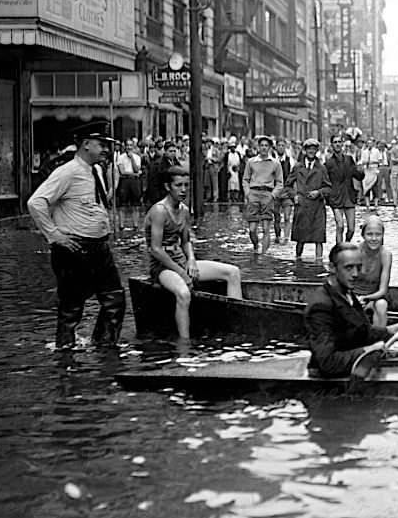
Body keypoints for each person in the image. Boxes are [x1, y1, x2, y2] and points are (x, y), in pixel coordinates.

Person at [27, 123, 126, 349]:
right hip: (74, 248)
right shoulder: (67, 172)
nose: (105, 150)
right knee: (71, 308)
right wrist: (54, 235)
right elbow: (36, 202)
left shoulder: (97, 170)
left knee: (114, 300)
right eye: (101, 144)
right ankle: (65, 356)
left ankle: (105, 348)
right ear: (85, 144)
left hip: (99, 248)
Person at [144, 167, 242, 340]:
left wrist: (191, 260)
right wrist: (182, 273)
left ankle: (236, 329)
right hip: (162, 267)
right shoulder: (159, 211)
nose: (183, 190)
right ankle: (185, 344)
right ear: (168, 187)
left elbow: (186, 240)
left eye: (186, 185)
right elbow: (155, 249)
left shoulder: (184, 210)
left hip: (180, 259)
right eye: (178, 185)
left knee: (233, 272)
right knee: (183, 293)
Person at [305, 242, 398, 378]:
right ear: (332, 268)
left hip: (358, 367)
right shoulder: (321, 306)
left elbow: (359, 331)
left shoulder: (346, 292)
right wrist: (367, 350)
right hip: (335, 378)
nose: (355, 274)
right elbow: (327, 363)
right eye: (349, 268)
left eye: (359, 267)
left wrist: (388, 331)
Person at [288, 138, 331, 260]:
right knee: (300, 238)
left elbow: (328, 188)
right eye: (309, 149)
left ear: (317, 151)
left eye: (314, 149)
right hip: (302, 206)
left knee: (318, 238)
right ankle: (298, 260)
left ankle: (319, 262)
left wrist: (319, 192)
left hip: (317, 207)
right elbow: (287, 185)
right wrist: (294, 196)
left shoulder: (321, 168)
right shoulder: (297, 167)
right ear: (304, 150)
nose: (311, 151)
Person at [243, 135, 283, 253]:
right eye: (262, 145)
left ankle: (264, 255)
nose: (264, 148)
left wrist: (273, 195)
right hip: (253, 193)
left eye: (266, 146)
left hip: (267, 194)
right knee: (252, 229)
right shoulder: (251, 162)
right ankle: (256, 247)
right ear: (258, 147)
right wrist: (247, 193)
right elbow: (245, 179)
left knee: (266, 228)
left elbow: (280, 182)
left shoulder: (275, 163)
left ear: (270, 148)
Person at [353, 215, 392, 328]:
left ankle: (379, 340)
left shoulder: (385, 255)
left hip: (373, 298)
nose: (374, 239)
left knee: (382, 304)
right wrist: (355, 299)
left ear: (383, 235)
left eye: (378, 234)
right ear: (363, 235)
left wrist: (366, 298)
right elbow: (343, 284)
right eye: (369, 234)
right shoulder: (355, 252)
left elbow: (383, 290)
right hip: (353, 296)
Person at [325, 134, 364, 244]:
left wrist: (361, 171)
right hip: (335, 197)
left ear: (342, 144)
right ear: (332, 145)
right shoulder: (328, 163)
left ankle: (346, 244)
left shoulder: (349, 159)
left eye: (339, 142)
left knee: (351, 229)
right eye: (335, 142)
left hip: (349, 195)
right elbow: (324, 180)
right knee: (340, 225)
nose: (337, 144)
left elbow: (358, 175)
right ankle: (339, 250)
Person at [273, 138, 295, 242]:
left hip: (287, 191)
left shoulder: (290, 160)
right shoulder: (272, 160)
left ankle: (286, 238)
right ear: (276, 147)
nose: (281, 147)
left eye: (283, 145)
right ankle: (277, 236)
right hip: (275, 192)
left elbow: (293, 175)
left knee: (287, 216)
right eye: (279, 145)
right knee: (276, 217)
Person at [114, 139, 143, 207]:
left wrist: (131, 158)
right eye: (127, 145)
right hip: (125, 181)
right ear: (125, 146)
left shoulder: (137, 157)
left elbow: (136, 169)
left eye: (131, 145)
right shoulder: (121, 157)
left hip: (134, 181)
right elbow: (122, 172)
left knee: (136, 202)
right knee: (123, 202)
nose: (129, 147)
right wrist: (135, 174)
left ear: (133, 146)